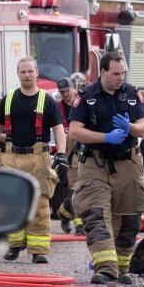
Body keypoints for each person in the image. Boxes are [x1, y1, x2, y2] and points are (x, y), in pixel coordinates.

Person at [69, 51, 144, 285]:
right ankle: (105, 269)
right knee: (96, 217)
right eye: (115, 73)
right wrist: (105, 137)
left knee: (130, 219)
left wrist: (129, 128)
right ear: (102, 72)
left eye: (123, 73)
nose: (120, 78)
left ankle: (122, 267)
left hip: (128, 164)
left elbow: (143, 127)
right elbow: (74, 130)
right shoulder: (86, 96)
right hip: (95, 164)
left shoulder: (132, 94)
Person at [0, 57, 68, 264]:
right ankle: (15, 244)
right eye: (23, 72)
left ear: (36, 72)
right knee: (11, 203)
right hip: (11, 157)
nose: (27, 75)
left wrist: (62, 154)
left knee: (39, 203)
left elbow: (58, 129)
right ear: (18, 74)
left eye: (30, 71)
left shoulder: (46, 100)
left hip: (38, 157)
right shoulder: (9, 99)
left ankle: (38, 250)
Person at [54, 77, 84, 235]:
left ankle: (64, 213)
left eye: (67, 90)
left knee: (84, 188)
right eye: (62, 92)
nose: (65, 94)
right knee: (75, 189)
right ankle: (80, 226)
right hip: (69, 153)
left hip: (85, 151)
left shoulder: (82, 103)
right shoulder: (58, 108)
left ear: (74, 88)